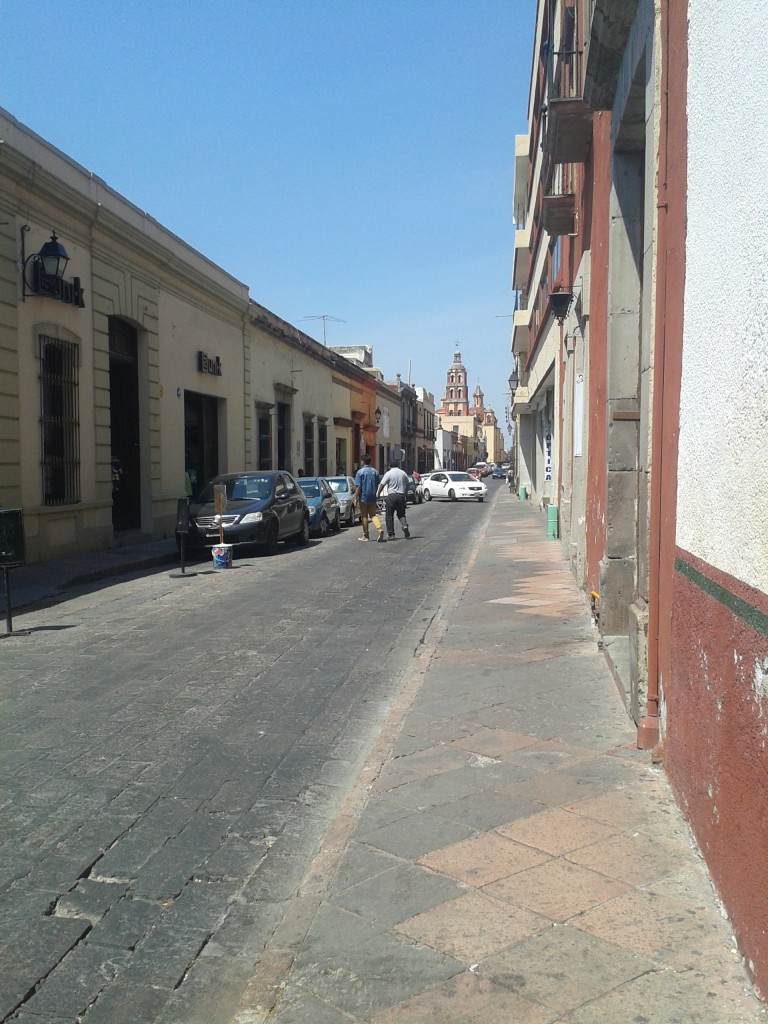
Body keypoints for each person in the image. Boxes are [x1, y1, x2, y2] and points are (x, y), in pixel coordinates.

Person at [353, 455, 384, 543]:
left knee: (364, 516)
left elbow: (358, 486)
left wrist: (355, 497)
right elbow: (378, 484)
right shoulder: (375, 472)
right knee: (373, 515)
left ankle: (365, 535)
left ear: (363, 461)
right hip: (372, 497)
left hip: (363, 497)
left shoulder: (360, 472)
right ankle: (379, 529)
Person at [377, 462, 410, 540]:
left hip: (391, 496)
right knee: (401, 514)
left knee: (389, 516)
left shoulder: (389, 473)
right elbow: (408, 484)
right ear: (397, 465)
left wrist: (378, 493)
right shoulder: (403, 473)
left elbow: (382, 484)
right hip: (401, 496)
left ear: (389, 466)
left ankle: (391, 534)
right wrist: (405, 492)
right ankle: (404, 525)